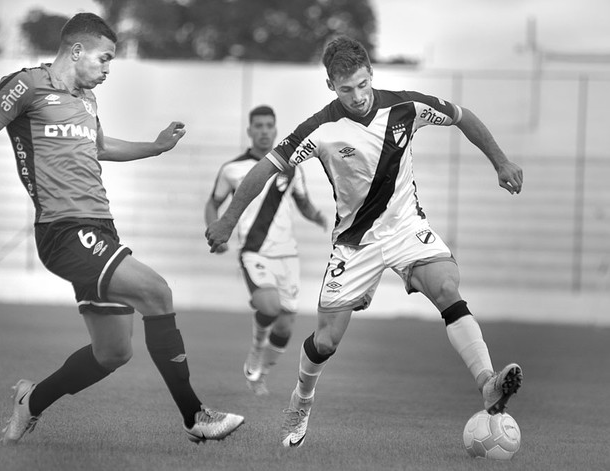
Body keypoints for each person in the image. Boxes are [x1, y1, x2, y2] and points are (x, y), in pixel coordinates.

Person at [0, 13, 243, 444]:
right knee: (158, 293)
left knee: (113, 352)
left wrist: (155, 147)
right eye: (104, 59)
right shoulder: (26, 85)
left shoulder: (87, 100)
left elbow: (101, 147)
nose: (107, 69)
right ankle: (195, 415)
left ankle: (30, 402)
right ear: (77, 50)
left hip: (100, 229)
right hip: (63, 230)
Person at [206, 36, 523, 447]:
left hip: (406, 228)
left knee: (446, 285)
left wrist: (501, 161)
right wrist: (229, 219)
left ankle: (487, 383)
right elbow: (266, 168)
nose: (356, 96)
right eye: (345, 89)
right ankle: (301, 401)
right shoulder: (320, 128)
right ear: (330, 86)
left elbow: (463, 116)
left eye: (361, 84)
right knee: (326, 341)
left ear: (370, 73)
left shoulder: (405, 107)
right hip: (355, 244)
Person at [204, 105, 326, 396]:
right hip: (254, 251)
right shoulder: (232, 169)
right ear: (249, 131)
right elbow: (213, 203)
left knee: (285, 328)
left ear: (275, 129)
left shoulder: (292, 167)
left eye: (268, 126)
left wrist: (320, 217)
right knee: (269, 306)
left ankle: (261, 374)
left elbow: (303, 203)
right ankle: (257, 348)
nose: (263, 131)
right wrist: (215, 232)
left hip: (288, 256)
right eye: (257, 126)